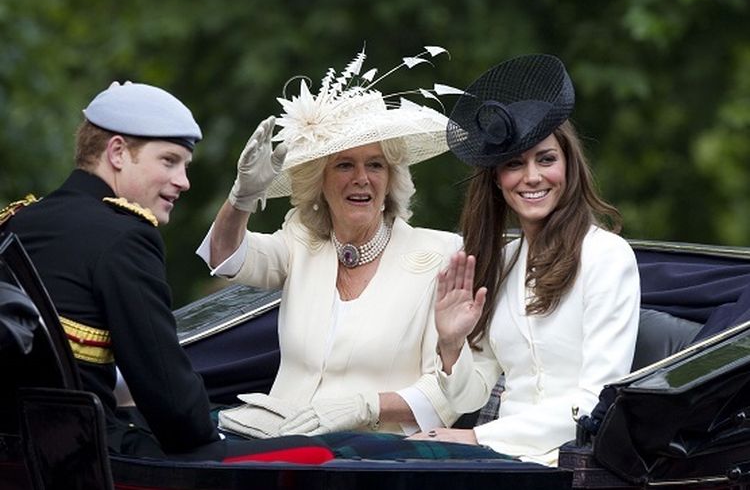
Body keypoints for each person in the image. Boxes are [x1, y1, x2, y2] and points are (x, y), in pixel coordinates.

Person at [1, 82, 333, 463]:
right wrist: (213, 427)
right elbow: (174, 407)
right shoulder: (124, 235)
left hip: (18, 457)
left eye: (185, 167)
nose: (184, 181)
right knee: (316, 454)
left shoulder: (20, 219)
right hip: (87, 462)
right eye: (169, 161)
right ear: (118, 152)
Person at [196, 46, 464, 438]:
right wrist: (241, 199)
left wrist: (366, 405)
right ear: (319, 182)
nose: (361, 178)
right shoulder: (301, 241)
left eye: (374, 164)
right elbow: (226, 258)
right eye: (344, 165)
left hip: (375, 458)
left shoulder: (439, 254)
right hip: (278, 444)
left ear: (390, 180)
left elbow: (446, 390)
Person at [409, 54, 641, 466]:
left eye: (546, 159)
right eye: (514, 164)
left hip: (573, 462)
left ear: (569, 167)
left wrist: (477, 438)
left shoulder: (607, 257)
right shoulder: (503, 260)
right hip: (498, 460)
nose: (531, 177)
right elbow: (471, 395)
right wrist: (450, 343)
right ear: (497, 181)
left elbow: (595, 403)